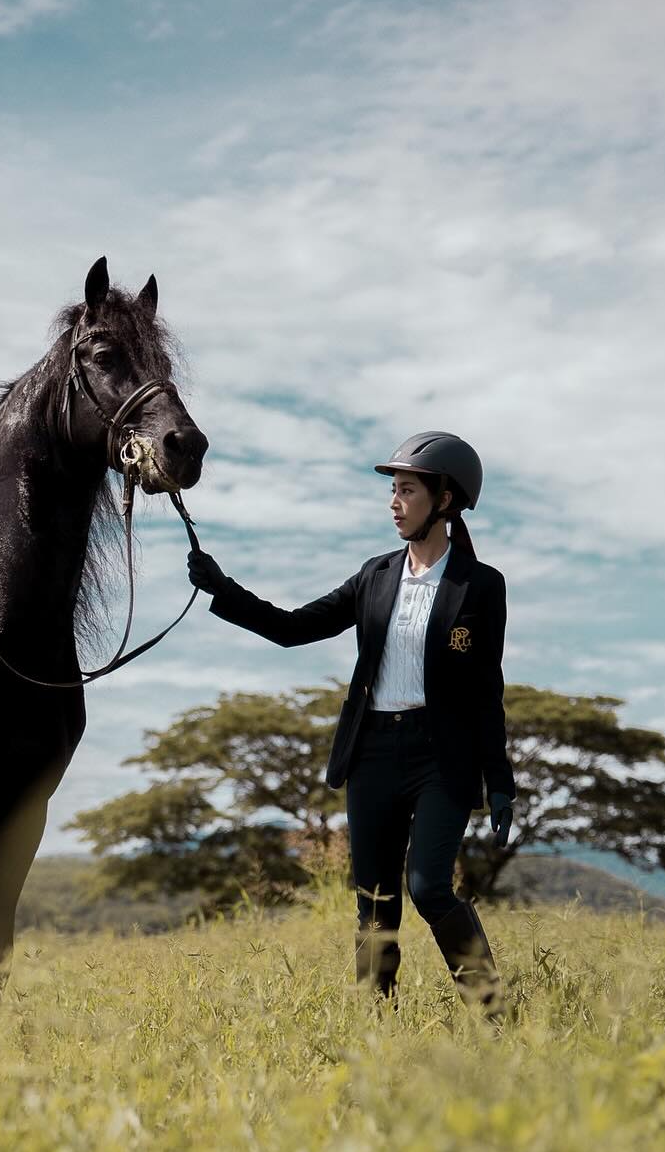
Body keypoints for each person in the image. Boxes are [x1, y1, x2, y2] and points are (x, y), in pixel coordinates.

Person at [188, 431, 514, 1016]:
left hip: (443, 757)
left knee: (429, 887)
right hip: (374, 753)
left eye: (407, 490)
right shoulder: (375, 576)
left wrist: (502, 781)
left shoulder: (480, 586)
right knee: (375, 901)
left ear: (444, 500)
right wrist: (223, 589)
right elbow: (293, 627)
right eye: (392, 490)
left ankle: (494, 1014)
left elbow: (487, 689)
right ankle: (377, 1027)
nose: (394, 502)